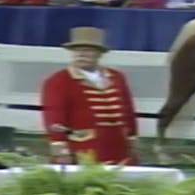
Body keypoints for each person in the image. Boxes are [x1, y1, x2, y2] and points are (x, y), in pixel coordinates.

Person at [40, 27, 138, 165]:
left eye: (87, 50)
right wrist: (61, 151)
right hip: (84, 149)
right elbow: (54, 119)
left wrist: (132, 140)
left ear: (99, 54)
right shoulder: (58, 80)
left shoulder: (117, 77)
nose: (81, 54)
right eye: (77, 50)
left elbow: (128, 111)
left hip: (119, 148)